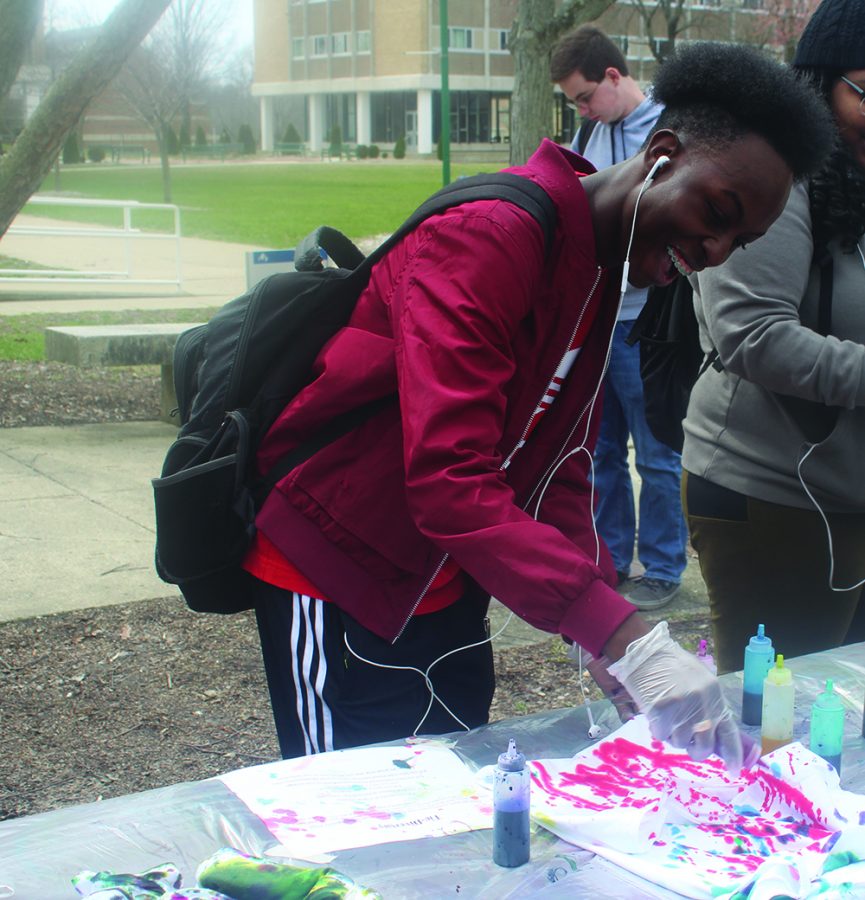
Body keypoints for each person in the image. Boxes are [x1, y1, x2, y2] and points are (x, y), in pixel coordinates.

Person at [242, 42, 833, 771]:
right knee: (347, 809)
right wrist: (624, 637)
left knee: (445, 796)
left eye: (737, 241)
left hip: (441, 577)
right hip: (335, 569)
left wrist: (596, 627)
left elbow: (561, 469)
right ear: (661, 153)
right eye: (716, 211)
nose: (713, 249)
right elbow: (448, 481)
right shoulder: (490, 236)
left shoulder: (598, 269)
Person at [682, 0, 865, 674]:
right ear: (820, 84)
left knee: (846, 718)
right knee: (776, 717)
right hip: (773, 496)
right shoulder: (777, 178)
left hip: (851, 491)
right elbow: (751, 336)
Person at [550, 25, 687, 611]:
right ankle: (609, 558)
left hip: (645, 322)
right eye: (574, 103)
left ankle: (662, 567)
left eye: (584, 96)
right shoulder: (589, 131)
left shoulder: (673, 129)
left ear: (613, 76)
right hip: (597, 320)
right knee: (599, 451)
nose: (581, 109)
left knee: (657, 452)